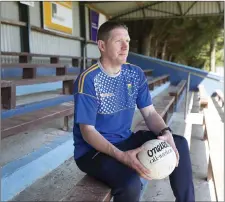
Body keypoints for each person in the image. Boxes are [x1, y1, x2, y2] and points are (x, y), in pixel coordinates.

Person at [73, 21, 195, 202]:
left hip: (125, 139)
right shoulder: (89, 79)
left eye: (127, 41)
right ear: (102, 45)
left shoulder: (134, 73)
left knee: (179, 143)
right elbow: (88, 131)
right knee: (130, 184)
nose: (125, 47)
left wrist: (165, 133)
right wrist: (122, 157)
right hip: (93, 152)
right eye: (118, 41)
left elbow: (150, 113)